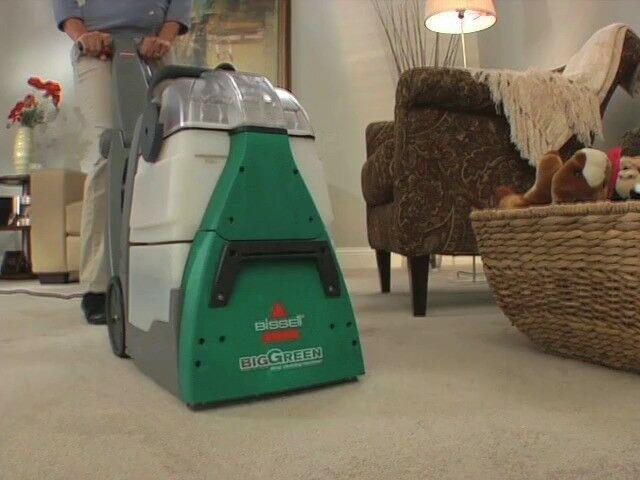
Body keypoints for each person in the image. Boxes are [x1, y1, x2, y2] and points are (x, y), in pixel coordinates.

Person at [52, 0, 193, 324]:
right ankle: (97, 286)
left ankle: (158, 275)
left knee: (162, 154)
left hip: (154, 46)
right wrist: (82, 34)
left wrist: (165, 38)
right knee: (109, 152)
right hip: (97, 48)